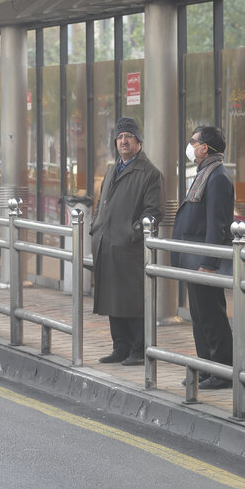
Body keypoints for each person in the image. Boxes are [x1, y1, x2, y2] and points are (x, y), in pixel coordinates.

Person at [89, 117, 162, 366]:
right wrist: (96, 226)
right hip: (107, 242)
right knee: (112, 297)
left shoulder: (149, 173)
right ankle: (119, 346)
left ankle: (138, 349)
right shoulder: (113, 169)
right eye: (120, 137)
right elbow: (102, 203)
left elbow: (153, 212)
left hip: (129, 246)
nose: (123, 141)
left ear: (138, 141)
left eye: (128, 136)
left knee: (132, 300)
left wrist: (133, 233)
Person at [171, 125, 235, 390]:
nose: (191, 146)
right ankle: (207, 367)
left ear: (205, 147)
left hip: (204, 261)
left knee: (212, 316)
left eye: (194, 141)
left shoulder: (217, 176)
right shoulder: (205, 172)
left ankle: (223, 371)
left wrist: (209, 263)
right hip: (194, 258)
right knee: (199, 316)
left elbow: (216, 224)